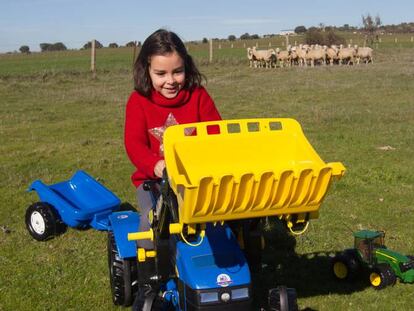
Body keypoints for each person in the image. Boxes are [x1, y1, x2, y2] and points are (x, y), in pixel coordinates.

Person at [124, 29, 221, 249]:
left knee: (220, 224)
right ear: (146, 69)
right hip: (154, 181)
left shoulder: (198, 96)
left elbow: (216, 132)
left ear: (186, 66)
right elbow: (134, 144)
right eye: (161, 74)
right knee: (152, 228)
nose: (170, 81)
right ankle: (150, 278)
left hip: (196, 179)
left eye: (177, 72)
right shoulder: (138, 101)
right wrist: (156, 165)